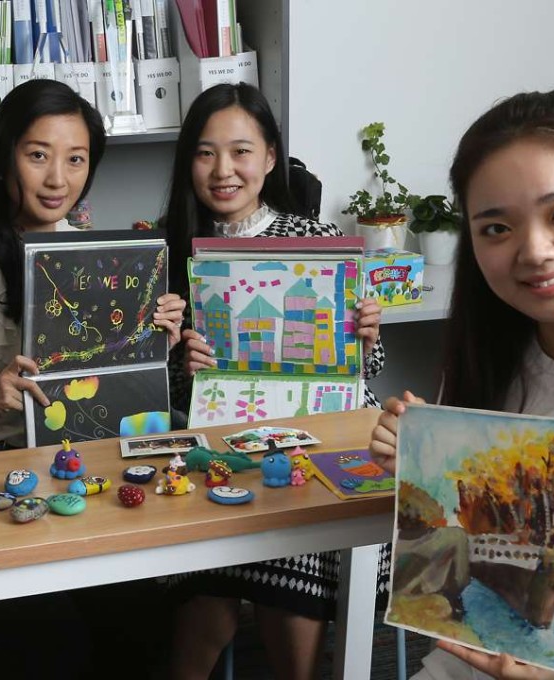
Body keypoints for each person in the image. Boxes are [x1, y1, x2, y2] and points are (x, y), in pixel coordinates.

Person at [370, 88, 554, 680]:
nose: (534, 250)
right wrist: (421, 474)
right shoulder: (491, 362)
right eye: (496, 227)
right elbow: (474, 563)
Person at [162, 82, 389, 680]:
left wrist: (365, 335)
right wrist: (180, 363)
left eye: (241, 151)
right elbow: (168, 406)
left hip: (316, 447)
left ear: (269, 158)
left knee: (298, 547)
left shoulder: (317, 245)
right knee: (207, 579)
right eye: (205, 153)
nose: (223, 170)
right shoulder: (168, 252)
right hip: (220, 445)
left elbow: (364, 375)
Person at [0, 78, 186, 451]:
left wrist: (151, 339)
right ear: (4, 156)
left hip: (64, 450)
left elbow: (93, 367)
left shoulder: (90, 256)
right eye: (38, 156)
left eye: (75, 159)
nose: (57, 180)